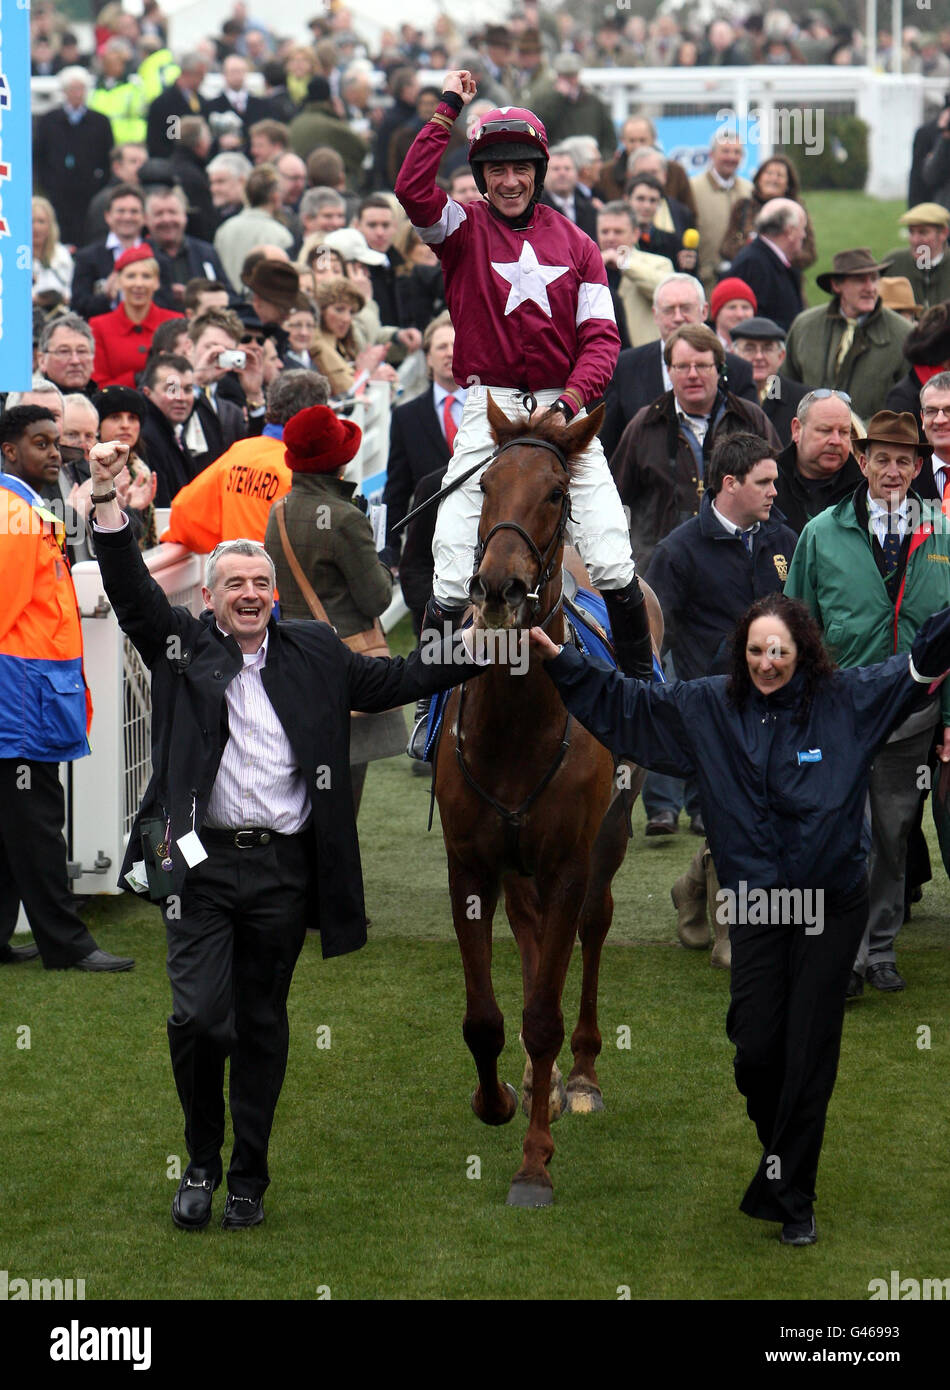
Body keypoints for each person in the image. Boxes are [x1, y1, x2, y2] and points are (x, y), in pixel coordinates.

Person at [86, 440, 486, 1230]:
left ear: (276, 596)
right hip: (195, 873)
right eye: (233, 583)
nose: (248, 593)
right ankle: (198, 1163)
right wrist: (105, 505)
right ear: (208, 596)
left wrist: (486, 648)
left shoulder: (312, 650)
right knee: (200, 1019)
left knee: (261, 1025)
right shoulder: (181, 646)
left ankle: (247, 1179)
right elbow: (132, 594)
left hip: (282, 872)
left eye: (260, 583)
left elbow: (399, 676)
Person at [529, 592, 950, 1244]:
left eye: (778, 650)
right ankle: (781, 1149)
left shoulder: (848, 702)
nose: (767, 663)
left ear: (801, 651)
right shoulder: (706, 708)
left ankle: (794, 1198)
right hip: (756, 907)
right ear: (741, 653)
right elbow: (627, 708)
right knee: (756, 1051)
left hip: (829, 909)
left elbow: (922, 663)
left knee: (809, 1051)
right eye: (756, 650)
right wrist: (560, 660)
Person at [394, 70, 654, 691]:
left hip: (566, 415)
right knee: (455, 566)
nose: (509, 181)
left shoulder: (582, 245)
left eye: (520, 169)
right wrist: (448, 109)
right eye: (495, 170)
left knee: (615, 559)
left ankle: (648, 687)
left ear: (537, 171)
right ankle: (432, 705)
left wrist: (569, 402)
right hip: (491, 409)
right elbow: (410, 188)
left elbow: (602, 341)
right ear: (481, 175)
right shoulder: (459, 229)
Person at [785, 411, 950, 995]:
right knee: (837, 837)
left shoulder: (944, 533)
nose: (893, 471)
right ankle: (845, 954)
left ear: (918, 466)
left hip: (912, 718)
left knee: (892, 836)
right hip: (838, 715)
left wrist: (948, 719)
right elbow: (795, 623)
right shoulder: (820, 532)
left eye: (905, 460)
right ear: (862, 461)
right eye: (881, 458)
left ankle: (880, 948)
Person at [645, 433, 797, 962]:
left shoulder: (784, 539)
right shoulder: (678, 550)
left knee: (767, 810)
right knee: (738, 815)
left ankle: (692, 886)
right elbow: (651, 631)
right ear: (730, 484)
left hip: (780, 703)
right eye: (765, 482)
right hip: (712, 708)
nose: (775, 491)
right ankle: (735, 934)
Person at [0, 407, 134, 973]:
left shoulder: (23, 510)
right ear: (9, 452)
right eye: (40, 443)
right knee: (36, 827)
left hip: (27, 693)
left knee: (14, 826)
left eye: (56, 442)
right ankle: (67, 943)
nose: (55, 453)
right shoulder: (14, 517)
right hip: (20, 698)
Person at [264, 405, 401, 818]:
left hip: (293, 661)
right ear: (340, 461)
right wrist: (377, 555)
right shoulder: (345, 519)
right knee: (343, 792)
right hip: (343, 666)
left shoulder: (280, 510)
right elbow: (377, 598)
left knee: (302, 784)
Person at [609, 323, 780, 572]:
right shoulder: (645, 425)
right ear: (669, 371)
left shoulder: (750, 419)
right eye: (682, 366)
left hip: (741, 564)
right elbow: (615, 498)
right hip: (661, 570)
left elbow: (780, 489)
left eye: (701, 365)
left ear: (720, 369)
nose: (692, 374)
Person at [160, 370, 329, 553]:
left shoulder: (239, 453)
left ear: (271, 406)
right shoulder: (312, 469)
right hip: (283, 579)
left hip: (238, 576)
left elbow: (185, 514)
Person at [601, 273, 758, 460]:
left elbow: (753, 445)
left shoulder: (737, 369)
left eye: (686, 308)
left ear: (704, 311)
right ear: (655, 315)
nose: (678, 317)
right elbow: (608, 443)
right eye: (668, 310)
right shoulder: (626, 367)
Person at [784, 248, 912, 423]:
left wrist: (862, 432)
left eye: (874, 279)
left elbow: (910, 402)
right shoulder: (804, 326)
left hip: (871, 445)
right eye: (860, 280)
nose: (870, 288)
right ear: (836, 285)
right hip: (810, 440)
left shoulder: (903, 334)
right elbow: (785, 385)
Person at [381, 313, 460, 567]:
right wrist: (389, 548)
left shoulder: (487, 409)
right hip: (430, 549)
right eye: (441, 347)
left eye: (454, 345)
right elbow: (397, 489)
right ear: (428, 358)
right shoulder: (406, 417)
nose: (449, 353)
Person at [89, 246, 184, 388]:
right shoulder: (99, 326)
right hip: (119, 408)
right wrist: (136, 379)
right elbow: (98, 385)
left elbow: (181, 378)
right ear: (119, 282)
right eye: (131, 276)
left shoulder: (175, 322)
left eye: (146, 276)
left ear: (157, 282)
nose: (139, 284)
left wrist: (169, 403)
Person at [772, 390, 864, 536]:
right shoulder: (769, 481)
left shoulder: (865, 491)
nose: (836, 441)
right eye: (825, 430)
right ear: (797, 430)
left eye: (844, 432)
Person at [719, 155, 817, 271]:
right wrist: (752, 251)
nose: (773, 179)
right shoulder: (743, 207)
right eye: (769, 173)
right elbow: (726, 247)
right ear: (759, 178)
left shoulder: (796, 210)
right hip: (750, 276)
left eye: (780, 175)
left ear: (788, 183)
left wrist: (781, 256)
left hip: (784, 278)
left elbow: (809, 253)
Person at [726, 200, 807, 334]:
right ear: (790, 231)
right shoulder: (754, 264)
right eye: (802, 228)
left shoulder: (768, 259)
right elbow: (754, 322)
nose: (804, 235)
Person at [689, 133, 753, 294]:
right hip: (705, 283)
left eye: (737, 152)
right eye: (725, 151)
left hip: (743, 282)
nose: (731, 157)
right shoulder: (693, 188)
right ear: (712, 154)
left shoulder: (749, 191)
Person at [730, 317, 809, 447]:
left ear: (781, 356)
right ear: (733, 354)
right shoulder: (724, 397)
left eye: (767, 348)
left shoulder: (803, 400)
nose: (759, 356)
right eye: (749, 348)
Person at [884, 203, 950, 309]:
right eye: (911, 232)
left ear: (943, 233)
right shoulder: (893, 263)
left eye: (923, 233)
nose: (915, 240)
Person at [32, 198, 75, 305]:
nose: (36, 227)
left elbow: (71, 291)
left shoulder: (62, 254)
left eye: (41, 221)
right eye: (31, 221)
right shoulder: (13, 256)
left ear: (50, 225)